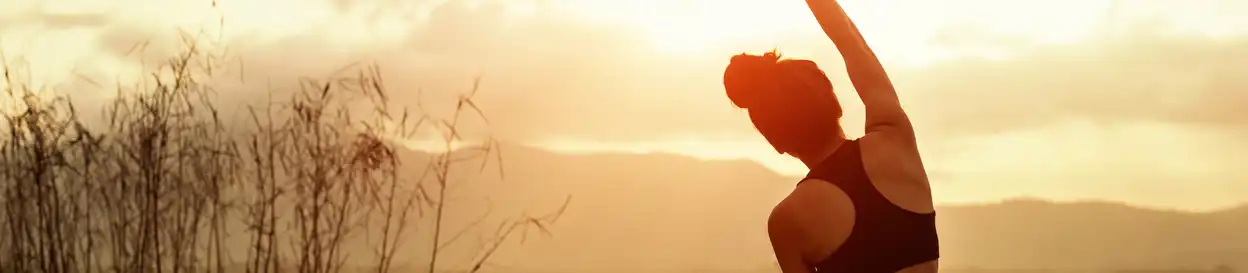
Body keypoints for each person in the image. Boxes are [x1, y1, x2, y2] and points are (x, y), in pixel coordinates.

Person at [721, 0, 939, 273]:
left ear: (776, 144)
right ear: (836, 104)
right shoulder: (894, 140)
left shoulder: (787, 221)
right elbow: (851, 44)